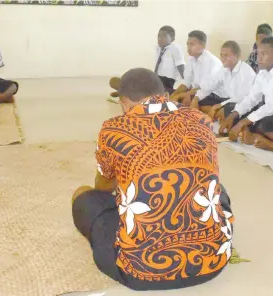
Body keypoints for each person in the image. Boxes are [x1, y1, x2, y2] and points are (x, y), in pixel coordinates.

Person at [72, 68, 234, 291]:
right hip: (212, 261)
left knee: (83, 197)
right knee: (216, 188)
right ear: (165, 96)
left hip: (139, 271)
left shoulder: (113, 129)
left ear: (124, 103)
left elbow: (103, 187)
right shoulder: (202, 121)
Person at [219, 37, 273, 142]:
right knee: (233, 111)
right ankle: (250, 132)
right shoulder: (263, 71)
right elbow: (252, 98)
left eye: (264, 54)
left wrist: (243, 122)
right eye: (258, 54)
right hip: (269, 111)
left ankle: (265, 139)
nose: (259, 58)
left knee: (263, 123)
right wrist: (233, 114)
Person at [108, 26, 185, 102]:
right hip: (155, 78)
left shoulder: (175, 49)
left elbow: (181, 66)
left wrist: (187, 83)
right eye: (159, 35)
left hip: (167, 82)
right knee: (113, 81)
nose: (160, 38)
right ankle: (127, 92)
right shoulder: (157, 48)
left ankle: (126, 92)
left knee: (152, 91)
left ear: (172, 38)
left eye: (164, 36)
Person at [199, 41, 256, 121]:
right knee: (201, 100)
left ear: (237, 56)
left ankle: (220, 117)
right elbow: (210, 86)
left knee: (225, 110)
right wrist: (196, 97)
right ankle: (218, 116)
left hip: (245, 103)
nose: (222, 59)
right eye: (221, 55)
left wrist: (219, 105)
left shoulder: (246, 72)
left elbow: (242, 97)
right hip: (230, 100)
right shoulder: (224, 69)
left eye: (226, 55)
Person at [169, 30, 225, 107]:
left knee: (184, 102)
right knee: (171, 95)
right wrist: (173, 95)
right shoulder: (191, 58)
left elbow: (205, 89)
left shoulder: (211, 62)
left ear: (202, 46)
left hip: (214, 94)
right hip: (197, 91)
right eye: (187, 44)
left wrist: (180, 96)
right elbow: (187, 82)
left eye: (192, 44)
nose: (188, 48)